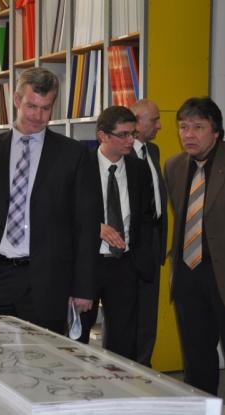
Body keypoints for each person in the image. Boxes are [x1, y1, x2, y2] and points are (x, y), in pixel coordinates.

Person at [0, 67, 99, 334]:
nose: (38, 116)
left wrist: (83, 287)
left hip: (48, 281)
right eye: (31, 106)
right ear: (16, 100)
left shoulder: (73, 155)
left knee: (42, 355)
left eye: (46, 108)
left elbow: (86, 225)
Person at [164, 97, 225, 414]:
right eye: (183, 127)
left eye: (198, 127)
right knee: (196, 362)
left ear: (216, 131)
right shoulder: (173, 166)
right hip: (189, 277)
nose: (188, 134)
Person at [77, 106, 154, 360]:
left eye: (133, 133)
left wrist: (140, 260)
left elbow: (145, 217)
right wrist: (95, 227)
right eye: (123, 135)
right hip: (88, 264)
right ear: (103, 135)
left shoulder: (139, 169)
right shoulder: (80, 166)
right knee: (77, 336)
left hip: (124, 265)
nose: (131, 140)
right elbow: (63, 215)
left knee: (123, 343)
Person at [129, 99, 167, 366]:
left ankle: (144, 366)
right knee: (125, 313)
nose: (159, 125)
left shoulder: (153, 151)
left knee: (148, 313)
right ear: (137, 121)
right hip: (129, 246)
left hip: (153, 242)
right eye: (154, 120)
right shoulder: (120, 153)